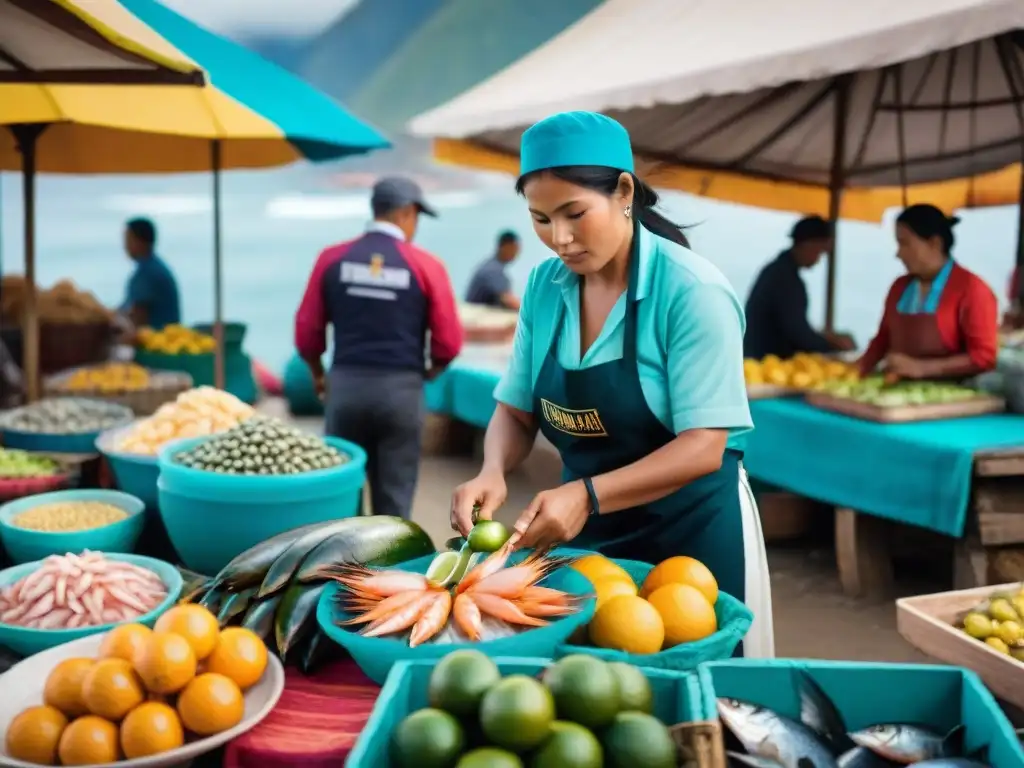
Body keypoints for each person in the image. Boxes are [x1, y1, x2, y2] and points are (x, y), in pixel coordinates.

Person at [449, 111, 774, 657]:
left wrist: (588, 495)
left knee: (705, 693)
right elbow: (517, 408)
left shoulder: (692, 292)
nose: (561, 240)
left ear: (624, 191)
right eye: (541, 219)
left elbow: (703, 446)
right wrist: (492, 470)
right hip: (587, 539)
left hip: (693, 534)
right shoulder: (544, 287)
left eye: (575, 214)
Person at [294, 176, 463, 520]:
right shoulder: (426, 266)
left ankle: (342, 569)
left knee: (343, 500)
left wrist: (318, 374)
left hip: (345, 389)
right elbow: (448, 341)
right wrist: (430, 371)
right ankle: (391, 569)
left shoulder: (332, 258)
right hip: (401, 393)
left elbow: (308, 332)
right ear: (405, 214)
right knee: (394, 505)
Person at [858, 204, 998, 379]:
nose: (898, 254)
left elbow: (984, 357)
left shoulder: (973, 290)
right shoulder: (899, 287)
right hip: (896, 389)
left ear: (934, 243)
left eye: (904, 244)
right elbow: (882, 340)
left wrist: (923, 368)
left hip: (952, 397)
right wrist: (856, 370)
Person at [743, 216, 856, 359]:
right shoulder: (784, 278)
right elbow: (798, 334)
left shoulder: (778, 271)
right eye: (820, 252)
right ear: (808, 244)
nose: (819, 259)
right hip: (766, 362)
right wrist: (834, 347)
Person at [120, 218, 181, 331]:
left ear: (140, 241)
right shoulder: (155, 266)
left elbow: (138, 319)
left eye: (128, 240)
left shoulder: (147, 274)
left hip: (156, 341)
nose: (125, 246)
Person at [465, 231, 522, 310]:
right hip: (476, 316)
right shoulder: (492, 270)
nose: (516, 253)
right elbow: (510, 301)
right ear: (505, 247)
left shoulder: (492, 265)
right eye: (514, 248)